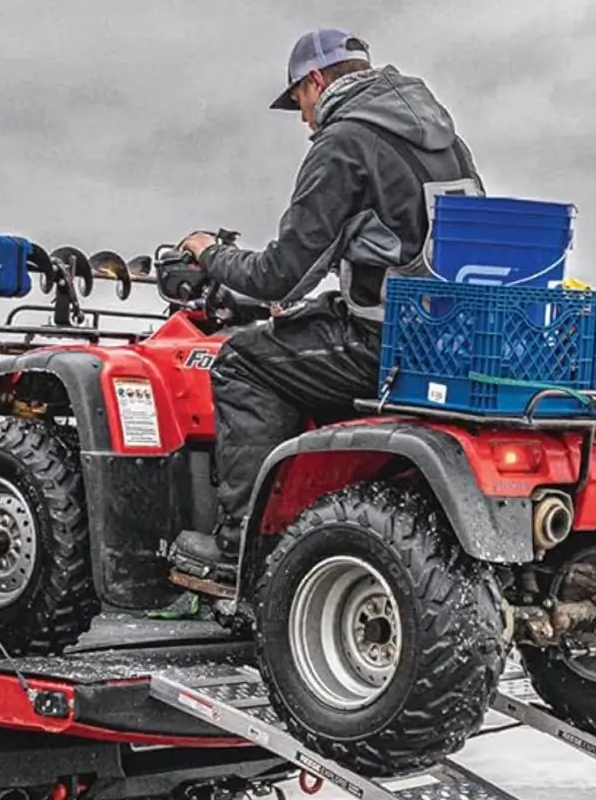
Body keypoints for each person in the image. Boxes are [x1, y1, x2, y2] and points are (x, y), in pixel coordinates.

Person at [168, 27, 485, 577]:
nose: (302, 118)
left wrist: (211, 253)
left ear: (315, 82)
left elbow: (276, 273)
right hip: (451, 340)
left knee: (242, 362)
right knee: (300, 332)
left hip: (383, 344)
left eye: (298, 101)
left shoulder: (344, 143)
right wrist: (288, 297)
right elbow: (364, 246)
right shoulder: (441, 140)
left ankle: (241, 547)